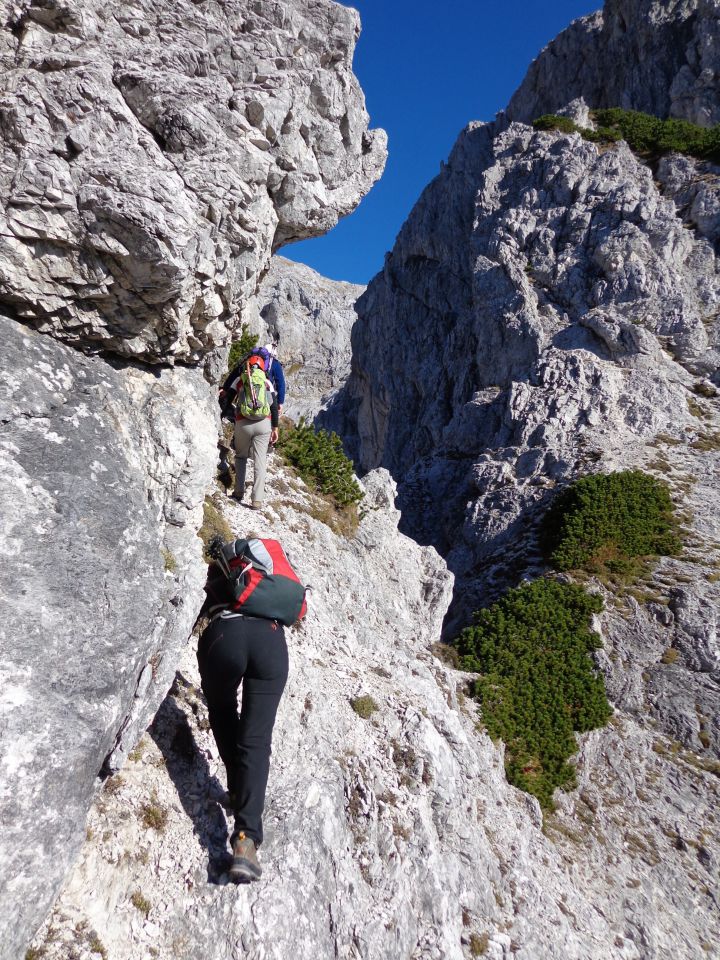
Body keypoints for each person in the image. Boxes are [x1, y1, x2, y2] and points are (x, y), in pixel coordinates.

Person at [197, 557, 289, 883]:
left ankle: (237, 788)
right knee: (256, 739)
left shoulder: (216, 570)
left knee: (222, 709)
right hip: (271, 640)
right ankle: (246, 841)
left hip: (224, 636)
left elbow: (193, 611)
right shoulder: (270, 586)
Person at [230, 354, 279, 508]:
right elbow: (274, 406)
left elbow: (228, 398)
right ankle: (257, 500)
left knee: (241, 457)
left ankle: (238, 491)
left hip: (242, 423)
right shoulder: (266, 382)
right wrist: (275, 427)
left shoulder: (240, 380)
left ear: (248, 366)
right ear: (263, 368)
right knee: (260, 461)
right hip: (263, 424)